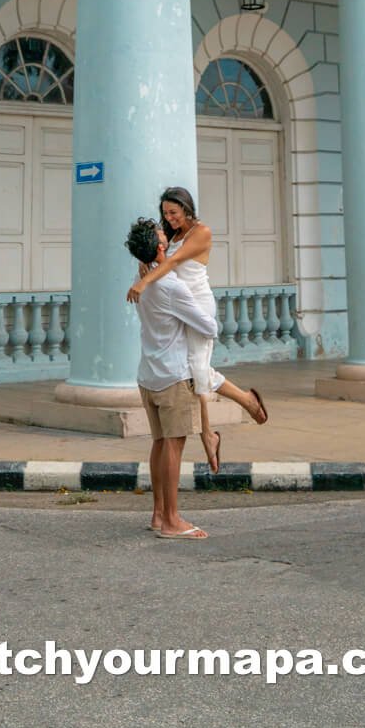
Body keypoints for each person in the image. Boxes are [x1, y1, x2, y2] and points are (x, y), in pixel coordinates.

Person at [126, 184, 269, 473]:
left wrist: (145, 280)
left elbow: (175, 261)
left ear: (187, 209)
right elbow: (163, 258)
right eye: (166, 213)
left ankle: (216, 428)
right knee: (193, 371)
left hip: (197, 304)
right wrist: (146, 264)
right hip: (177, 301)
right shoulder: (170, 235)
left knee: (198, 370)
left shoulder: (201, 232)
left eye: (174, 212)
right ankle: (223, 420)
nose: (170, 218)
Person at [125, 216, 217, 540]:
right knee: (174, 448)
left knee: (159, 444)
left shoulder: (144, 280)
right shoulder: (171, 287)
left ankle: (158, 513)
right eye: (163, 233)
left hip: (148, 375)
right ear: (162, 247)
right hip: (173, 377)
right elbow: (209, 328)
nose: (167, 232)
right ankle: (172, 521)